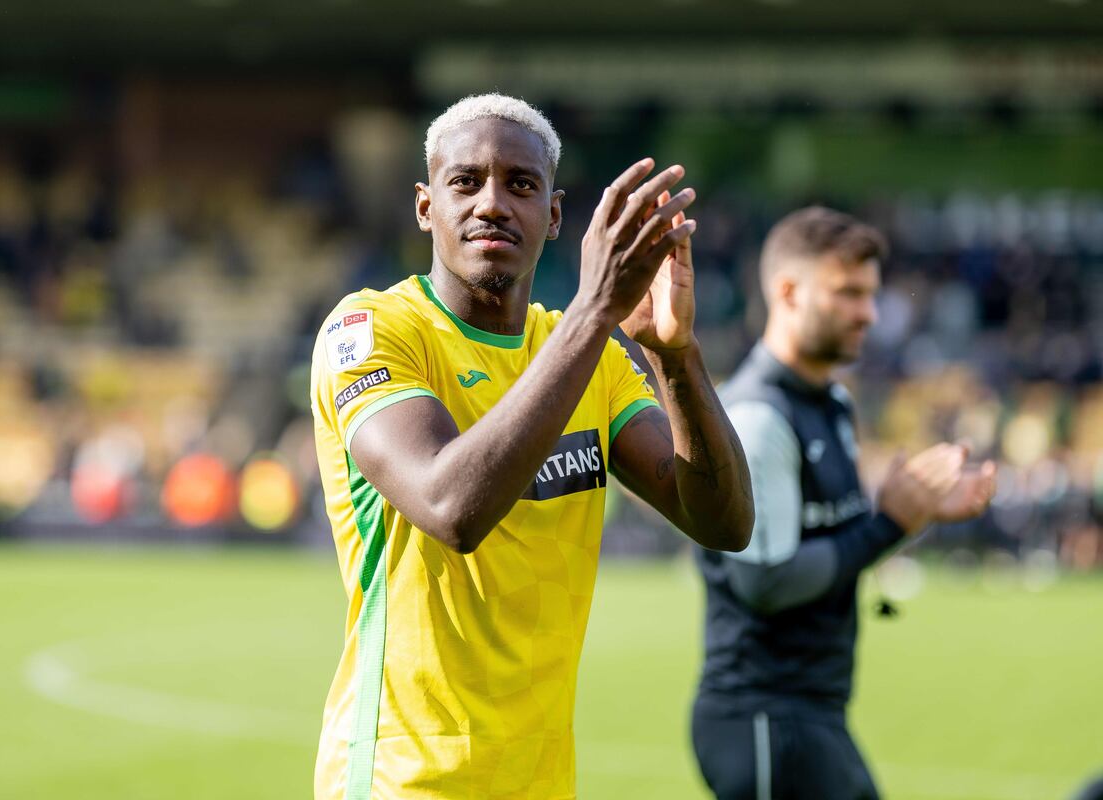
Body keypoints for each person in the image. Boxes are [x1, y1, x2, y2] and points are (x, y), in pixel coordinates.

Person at [309, 93, 754, 799]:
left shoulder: (591, 356)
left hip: (540, 783)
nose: (491, 203)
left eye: (521, 184)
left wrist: (675, 355)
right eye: (465, 182)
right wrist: (594, 312)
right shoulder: (370, 330)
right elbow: (452, 506)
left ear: (552, 217)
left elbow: (723, 522)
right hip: (404, 780)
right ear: (427, 206)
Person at [692, 207, 998, 800]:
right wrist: (890, 523)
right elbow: (766, 580)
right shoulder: (757, 418)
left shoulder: (831, 401)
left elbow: (831, 537)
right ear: (788, 292)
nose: (869, 314)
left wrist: (920, 510)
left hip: (812, 717)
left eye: (872, 294)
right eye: (848, 293)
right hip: (764, 719)